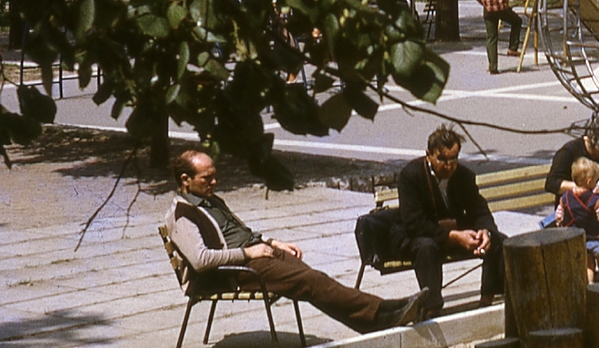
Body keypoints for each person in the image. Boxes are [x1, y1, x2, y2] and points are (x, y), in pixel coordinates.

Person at [166, 150, 424, 333]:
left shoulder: (210, 200)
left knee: (314, 278)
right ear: (186, 180)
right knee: (309, 281)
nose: (214, 182)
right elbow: (201, 260)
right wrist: (249, 254)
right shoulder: (182, 214)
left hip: (255, 254)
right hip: (234, 271)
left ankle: (380, 314)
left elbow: (241, 232)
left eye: (214, 175)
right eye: (206, 178)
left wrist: (273, 242)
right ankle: (382, 312)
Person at [396, 125, 506, 317]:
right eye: (442, 160)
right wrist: (453, 236)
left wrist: (485, 231)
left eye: (453, 159)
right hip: (422, 236)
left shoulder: (463, 175)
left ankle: (489, 299)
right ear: (429, 155)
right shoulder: (411, 176)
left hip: (456, 232)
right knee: (426, 248)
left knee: (497, 239)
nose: (448, 166)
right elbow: (414, 223)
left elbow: (479, 208)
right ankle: (432, 308)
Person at [553, 157, 599, 282]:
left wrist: (563, 229)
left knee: (588, 266)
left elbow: (559, 217)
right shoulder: (596, 200)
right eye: (595, 181)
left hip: (580, 239)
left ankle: (589, 287)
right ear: (589, 182)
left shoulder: (565, 198)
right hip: (598, 238)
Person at [546, 113, 599, 198]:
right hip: (572, 203)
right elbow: (551, 184)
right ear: (594, 143)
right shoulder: (569, 151)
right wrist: (586, 188)